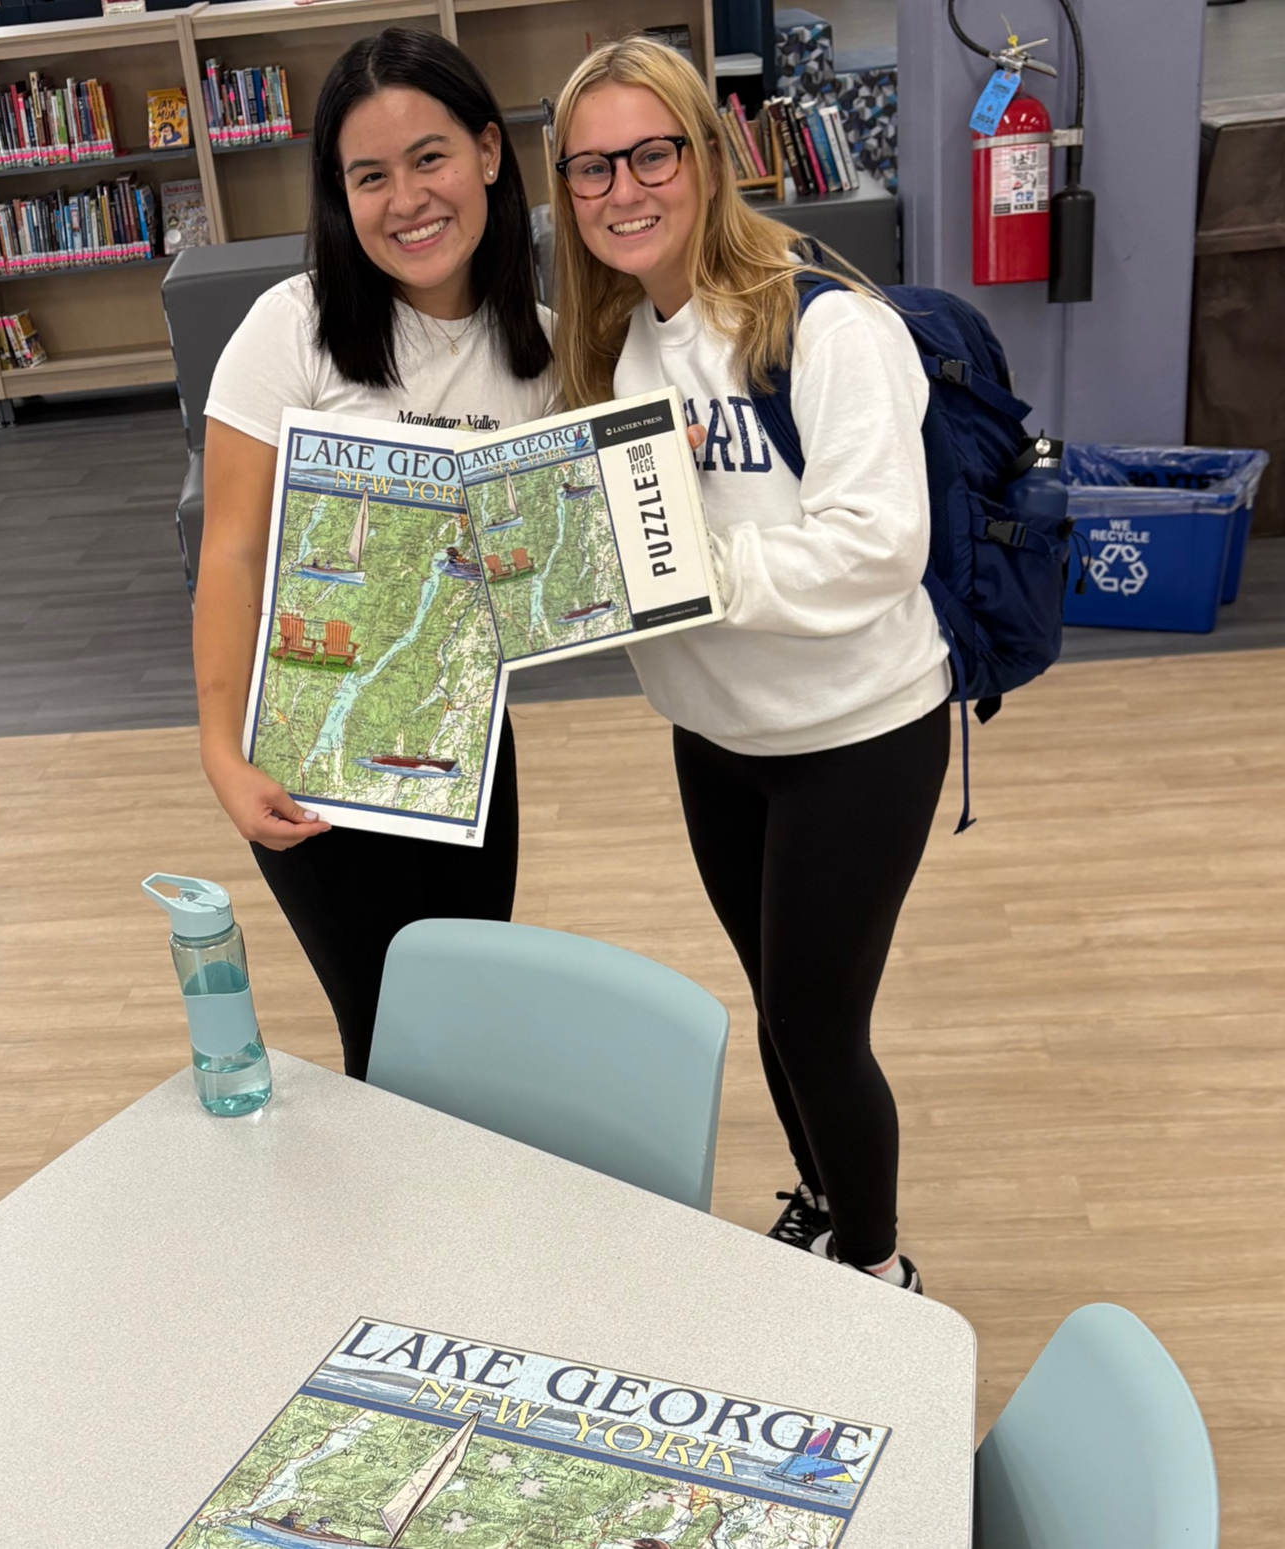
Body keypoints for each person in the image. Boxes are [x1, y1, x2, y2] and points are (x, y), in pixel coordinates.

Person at [548, 37, 951, 1292]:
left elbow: (881, 547)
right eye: (590, 167)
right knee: (777, 1008)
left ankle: (875, 1278)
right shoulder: (620, 345)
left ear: (709, 158)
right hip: (716, 738)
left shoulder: (824, 326)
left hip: (857, 734)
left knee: (822, 1028)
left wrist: (696, 568)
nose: (625, 189)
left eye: (651, 153)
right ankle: (826, 1208)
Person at [194, 28, 555, 1080]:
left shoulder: (542, 351)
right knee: (386, 1029)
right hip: (308, 754)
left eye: (430, 157)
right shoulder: (289, 331)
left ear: (488, 152)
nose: (407, 199)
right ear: (337, 195)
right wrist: (222, 749)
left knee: (468, 1008)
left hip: (463, 743)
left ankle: (448, 1226)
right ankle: (393, 1236)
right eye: (370, 175)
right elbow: (230, 553)